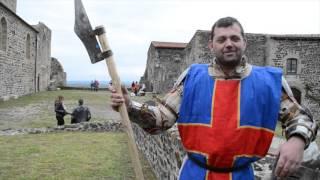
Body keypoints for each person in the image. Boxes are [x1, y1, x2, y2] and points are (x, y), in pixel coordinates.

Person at [110, 17, 318, 180]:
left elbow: (300, 118)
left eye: (234, 38)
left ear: (245, 43)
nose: (229, 44)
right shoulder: (192, 78)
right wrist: (130, 106)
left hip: (242, 176)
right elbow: (160, 119)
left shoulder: (268, 82)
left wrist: (297, 141)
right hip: (195, 174)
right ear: (211, 45)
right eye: (221, 39)